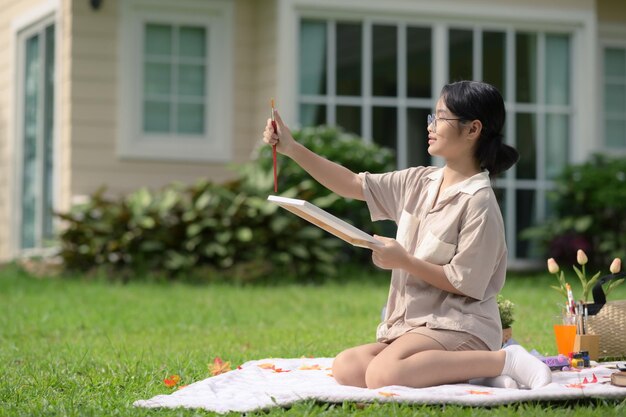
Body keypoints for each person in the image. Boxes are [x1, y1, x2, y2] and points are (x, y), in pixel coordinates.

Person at [262, 81, 551, 390]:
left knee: (383, 375)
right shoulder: (419, 180)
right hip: (415, 326)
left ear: (472, 129)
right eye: (433, 116)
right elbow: (351, 184)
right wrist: (291, 148)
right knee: (347, 367)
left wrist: (404, 261)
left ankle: (504, 361)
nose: (431, 125)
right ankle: (478, 374)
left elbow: (464, 283)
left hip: (460, 325)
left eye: (441, 117)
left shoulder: (479, 202)